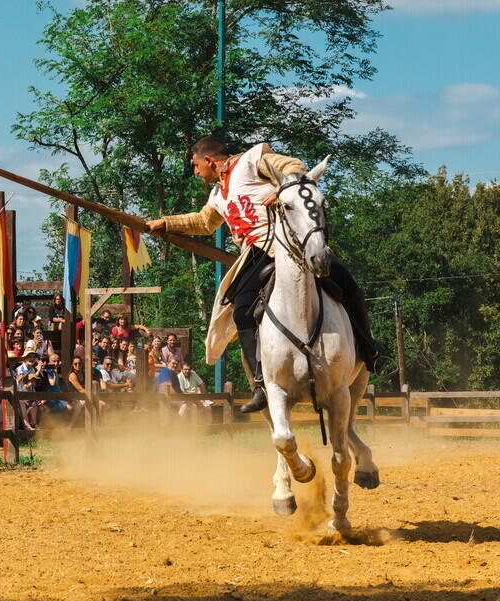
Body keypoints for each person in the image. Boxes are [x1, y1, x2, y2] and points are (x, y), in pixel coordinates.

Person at [146, 135, 379, 413]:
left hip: (288, 243)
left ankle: (368, 350)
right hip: (255, 255)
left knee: (347, 284)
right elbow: (204, 222)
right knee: (242, 310)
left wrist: (281, 192)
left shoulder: (251, 161)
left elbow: (294, 164)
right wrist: (165, 223)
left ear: (209, 160)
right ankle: (261, 384)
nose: (195, 172)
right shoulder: (218, 195)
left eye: (196, 165)